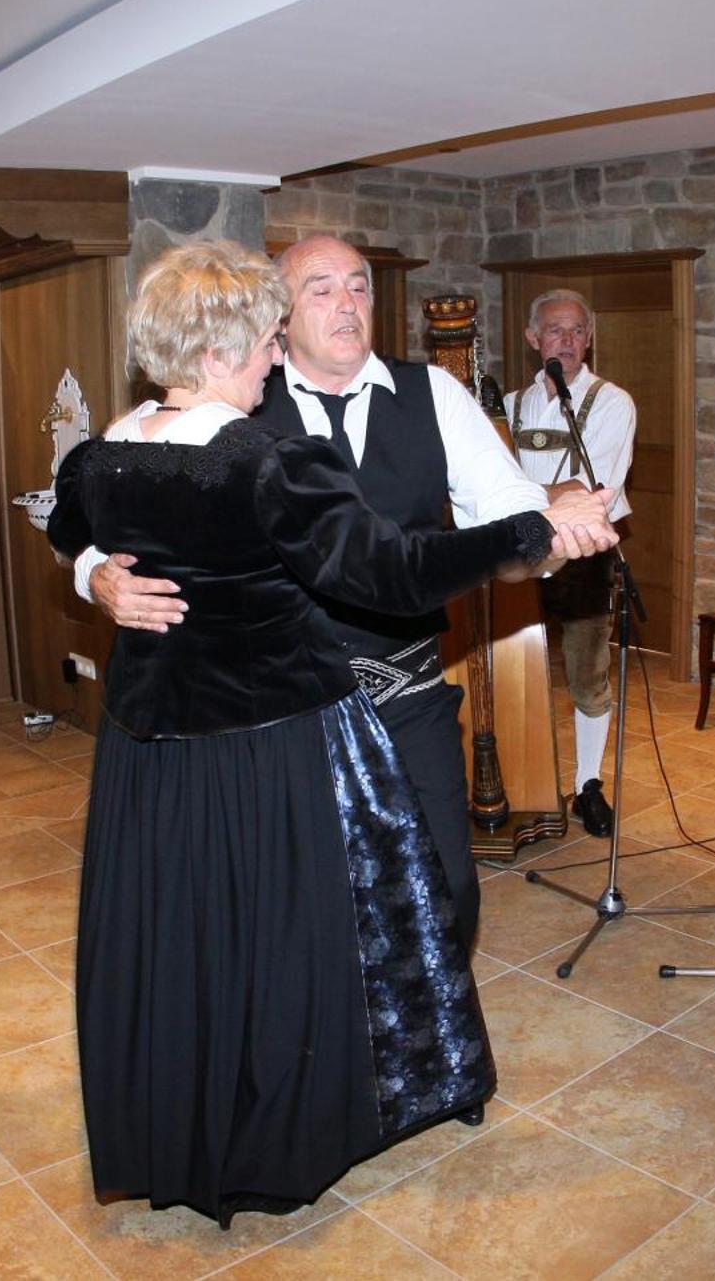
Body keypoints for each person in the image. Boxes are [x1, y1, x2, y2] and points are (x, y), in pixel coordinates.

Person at [49, 241, 615, 1227]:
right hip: (276, 735)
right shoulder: (263, 452)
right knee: (282, 935)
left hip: (160, 753)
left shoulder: (110, 446)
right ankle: (284, 1128)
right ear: (241, 336)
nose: (285, 345)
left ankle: (206, 1122)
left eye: (359, 286)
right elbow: (388, 571)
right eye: (292, 311)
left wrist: (544, 513)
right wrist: (99, 577)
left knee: (208, 934)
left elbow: (68, 511)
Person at [81, 233, 614, 951]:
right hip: (285, 716)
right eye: (321, 288)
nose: (347, 304)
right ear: (278, 315)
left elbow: (510, 513)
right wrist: (94, 572)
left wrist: (550, 538)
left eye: (359, 286)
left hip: (408, 697)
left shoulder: (435, 394)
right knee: (304, 911)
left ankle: (425, 1055)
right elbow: (95, 503)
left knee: (445, 890)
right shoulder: (229, 413)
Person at [503, 289, 637, 836]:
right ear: (534, 339)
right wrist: (536, 496)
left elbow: (589, 487)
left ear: (590, 338)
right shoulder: (510, 406)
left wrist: (516, 494)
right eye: (555, 330)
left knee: (587, 673)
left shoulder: (612, 402)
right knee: (517, 669)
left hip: (583, 553)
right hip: (518, 555)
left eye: (577, 331)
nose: (567, 340)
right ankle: (522, 779)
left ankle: (588, 785)